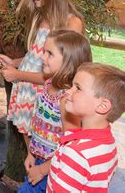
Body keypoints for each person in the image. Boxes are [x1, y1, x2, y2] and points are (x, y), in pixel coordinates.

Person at [0, 0, 84, 147]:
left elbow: (61, 75)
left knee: (46, 148)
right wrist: (15, 62)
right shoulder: (41, 18)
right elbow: (35, 56)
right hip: (27, 94)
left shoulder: (71, 23)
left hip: (45, 100)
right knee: (32, 151)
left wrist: (17, 75)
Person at [18, 30, 92, 193]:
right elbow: (39, 124)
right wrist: (32, 153)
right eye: (44, 51)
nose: (42, 57)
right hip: (40, 160)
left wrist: (43, 169)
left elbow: (69, 148)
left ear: (68, 62)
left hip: (54, 169)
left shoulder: (67, 99)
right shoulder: (49, 83)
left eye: (49, 54)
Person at [46, 63, 125, 192]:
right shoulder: (108, 144)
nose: (68, 91)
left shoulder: (77, 154)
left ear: (102, 106)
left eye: (78, 88)